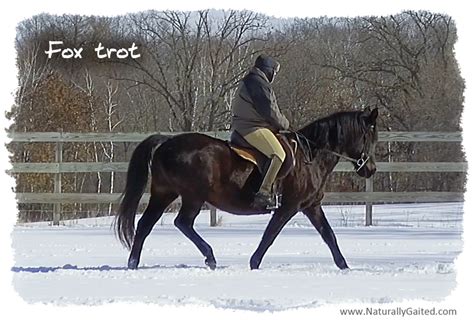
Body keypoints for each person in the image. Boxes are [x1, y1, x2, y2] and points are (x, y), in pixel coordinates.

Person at [231, 54, 290, 208]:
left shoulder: (252, 80)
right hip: (251, 127)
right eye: (274, 73)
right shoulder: (258, 83)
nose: (274, 76)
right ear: (268, 70)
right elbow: (269, 111)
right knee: (279, 154)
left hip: (248, 124)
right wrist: (285, 123)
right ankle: (264, 193)